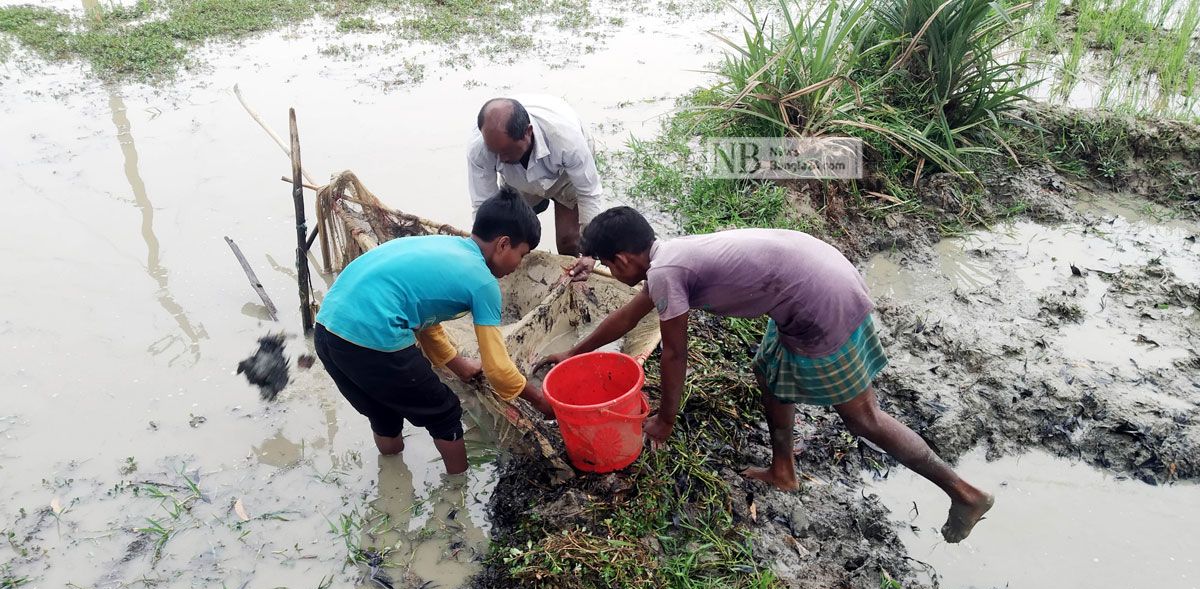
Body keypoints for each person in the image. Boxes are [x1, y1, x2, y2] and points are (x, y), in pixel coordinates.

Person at [536, 207, 995, 543]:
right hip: (813, 283)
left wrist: (665, 420)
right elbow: (629, 317)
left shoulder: (667, 273)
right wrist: (573, 354)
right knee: (770, 371)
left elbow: (675, 356)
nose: (611, 273)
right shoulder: (668, 257)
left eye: (607, 265)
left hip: (821, 302)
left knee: (864, 418)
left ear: (621, 259)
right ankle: (784, 470)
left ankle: (964, 492)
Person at [315, 188, 555, 475]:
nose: (519, 266)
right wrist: (541, 401)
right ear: (503, 244)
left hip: (328, 329)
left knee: (383, 411)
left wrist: (458, 364)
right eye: (522, 254)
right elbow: (498, 370)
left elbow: (424, 317)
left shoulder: (447, 246)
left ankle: (392, 481)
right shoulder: (483, 283)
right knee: (445, 411)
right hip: (373, 337)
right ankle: (458, 494)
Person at [467, 95, 602, 278]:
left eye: (506, 152)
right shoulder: (480, 148)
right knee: (514, 236)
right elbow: (485, 206)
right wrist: (482, 253)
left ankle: (572, 277)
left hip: (565, 177)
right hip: (517, 181)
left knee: (568, 240)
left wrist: (590, 252)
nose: (502, 160)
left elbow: (589, 193)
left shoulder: (567, 139)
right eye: (495, 153)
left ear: (527, 132)